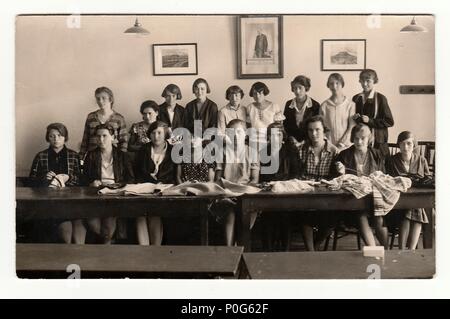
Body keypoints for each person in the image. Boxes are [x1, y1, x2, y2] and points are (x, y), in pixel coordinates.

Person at [333, 123, 388, 248]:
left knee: (379, 218)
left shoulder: (377, 154)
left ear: (369, 139)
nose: (359, 141)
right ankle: (374, 251)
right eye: (356, 138)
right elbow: (336, 181)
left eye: (363, 138)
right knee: (361, 215)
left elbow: (383, 177)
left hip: (374, 200)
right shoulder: (344, 155)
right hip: (352, 202)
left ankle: (387, 252)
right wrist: (340, 172)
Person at [29, 123, 84, 244]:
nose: (56, 139)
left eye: (59, 135)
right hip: (49, 203)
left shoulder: (74, 155)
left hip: (71, 200)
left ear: (65, 137)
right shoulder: (40, 156)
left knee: (78, 228)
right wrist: (44, 179)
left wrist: (68, 178)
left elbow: (81, 180)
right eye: (52, 136)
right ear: (47, 138)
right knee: (65, 231)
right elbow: (31, 181)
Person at [292, 115, 339, 251]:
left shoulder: (334, 151)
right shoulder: (300, 150)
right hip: (305, 194)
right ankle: (311, 252)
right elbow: (296, 174)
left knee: (332, 220)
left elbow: (336, 178)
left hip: (326, 196)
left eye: (317, 130)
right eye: (310, 130)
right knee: (305, 216)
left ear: (324, 130)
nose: (314, 134)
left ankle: (315, 245)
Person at [83, 123, 135, 244]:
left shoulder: (123, 156)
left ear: (113, 137)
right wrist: (91, 183)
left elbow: (131, 179)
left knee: (109, 219)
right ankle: (109, 241)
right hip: (97, 194)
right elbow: (83, 178)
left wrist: (119, 186)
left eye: (105, 136)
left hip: (115, 194)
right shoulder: (91, 155)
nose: (101, 139)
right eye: (98, 136)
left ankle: (107, 245)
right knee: (92, 220)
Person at [214, 119, 260, 246]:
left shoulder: (252, 152)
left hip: (246, 195)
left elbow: (254, 179)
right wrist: (227, 193)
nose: (235, 136)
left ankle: (240, 249)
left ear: (245, 133)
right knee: (230, 212)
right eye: (231, 132)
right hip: (227, 194)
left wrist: (242, 194)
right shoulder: (222, 151)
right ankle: (230, 250)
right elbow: (218, 179)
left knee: (243, 213)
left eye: (239, 132)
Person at [386, 131, 431, 250]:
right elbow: (387, 180)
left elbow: (429, 180)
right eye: (402, 144)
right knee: (410, 210)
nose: (405, 147)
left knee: (414, 208)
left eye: (409, 144)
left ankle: (406, 251)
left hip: (416, 199)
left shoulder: (422, 160)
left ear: (414, 145)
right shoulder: (391, 160)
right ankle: (408, 251)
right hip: (397, 201)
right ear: (398, 145)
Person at [135, 121, 176, 245]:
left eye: (159, 133)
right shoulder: (144, 150)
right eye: (153, 133)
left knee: (155, 213)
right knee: (139, 214)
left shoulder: (173, 150)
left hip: (165, 189)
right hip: (145, 189)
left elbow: (174, 174)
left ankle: (155, 249)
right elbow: (138, 172)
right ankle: (144, 250)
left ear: (165, 135)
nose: (156, 136)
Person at [259, 122, 291, 251]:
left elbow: (296, 172)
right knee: (268, 218)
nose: (275, 138)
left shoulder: (290, 151)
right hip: (269, 193)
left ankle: (285, 250)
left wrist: (283, 183)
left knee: (286, 216)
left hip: (286, 192)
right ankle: (268, 250)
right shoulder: (263, 152)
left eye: (278, 135)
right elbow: (261, 175)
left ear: (283, 136)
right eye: (272, 135)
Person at [352, 69, 394, 156]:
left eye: (368, 81)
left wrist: (370, 121)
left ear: (374, 81)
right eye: (362, 80)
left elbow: (389, 121)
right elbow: (356, 124)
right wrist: (356, 118)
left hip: (378, 142)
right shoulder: (356, 98)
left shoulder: (381, 99)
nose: (365, 84)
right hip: (362, 141)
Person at [80, 87, 128, 160]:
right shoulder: (91, 117)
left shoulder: (119, 118)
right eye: (98, 99)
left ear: (110, 99)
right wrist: (81, 158)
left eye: (103, 98)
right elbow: (85, 139)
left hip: (112, 157)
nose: (100, 101)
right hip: (93, 157)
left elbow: (124, 141)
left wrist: (121, 158)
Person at [320, 73, 355, 151]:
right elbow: (322, 128)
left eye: (337, 83)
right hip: (329, 147)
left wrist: (341, 144)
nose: (334, 86)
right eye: (331, 84)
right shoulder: (324, 105)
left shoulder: (350, 105)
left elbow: (351, 127)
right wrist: (328, 145)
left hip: (346, 147)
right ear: (328, 85)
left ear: (342, 84)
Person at [246, 81, 284, 148]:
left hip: (270, 140)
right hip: (254, 141)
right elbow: (248, 127)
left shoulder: (274, 106)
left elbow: (278, 127)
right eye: (255, 93)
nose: (257, 96)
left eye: (260, 93)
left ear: (264, 93)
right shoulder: (250, 107)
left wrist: (271, 140)